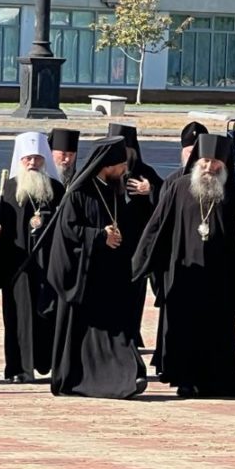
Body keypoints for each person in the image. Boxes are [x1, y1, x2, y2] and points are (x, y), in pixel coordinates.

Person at [133, 134, 235, 398]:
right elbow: (158, 226)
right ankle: (186, 380)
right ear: (197, 161)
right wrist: (140, 262)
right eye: (205, 161)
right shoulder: (179, 187)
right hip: (183, 270)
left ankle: (220, 382)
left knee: (217, 329)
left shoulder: (234, 191)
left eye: (215, 162)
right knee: (185, 328)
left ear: (224, 164)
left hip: (219, 274)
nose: (209, 167)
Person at [48, 136, 147, 399]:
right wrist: (100, 236)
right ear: (107, 165)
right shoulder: (77, 194)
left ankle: (124, 376)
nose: (125, 169)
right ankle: (81, 380)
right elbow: (68, 232)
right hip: (85, 279)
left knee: (117, 327)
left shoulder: (114, 191)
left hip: (110, 277)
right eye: (121, 165)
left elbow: (127, 225)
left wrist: (141, 203)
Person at [0, 132, 64, 383]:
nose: (33, 163)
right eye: (28, 159)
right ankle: (18, 369)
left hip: (48, 265)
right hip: (17, 267)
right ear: (20, 160)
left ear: (44, 159)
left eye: (37, 158)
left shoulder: (56, 189)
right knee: (17, 317)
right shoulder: (7, 189)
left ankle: (47, 363)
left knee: (48, 314)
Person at [106, 123, 163, 346]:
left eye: (126, 150)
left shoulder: (145, 173)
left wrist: (151, 190)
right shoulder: (103, 172)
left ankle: (132, 333)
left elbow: (166, 198)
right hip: (110, 242)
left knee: (135, 291)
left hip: (137, 244)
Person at [159, 121, 209, 199]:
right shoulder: (172, 181)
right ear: (183, 152)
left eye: (198, 152)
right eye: (190, 152)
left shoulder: (216, 181)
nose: (194, 157)